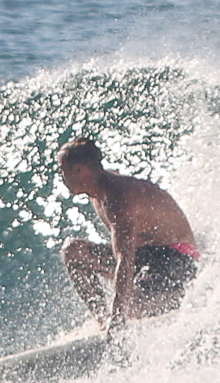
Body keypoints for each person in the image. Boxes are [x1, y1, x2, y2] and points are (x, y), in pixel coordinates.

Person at [57, 137, 200, 332]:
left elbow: (125, 259)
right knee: (73, 251)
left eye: (62, 169)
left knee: (128, 307)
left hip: (177, 260)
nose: (60, 175)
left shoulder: (118, 199)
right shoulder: (96, 191)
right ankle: (103, 319)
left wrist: (119, 318)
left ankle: (118, 321)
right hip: (147, 259)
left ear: (79, 170)